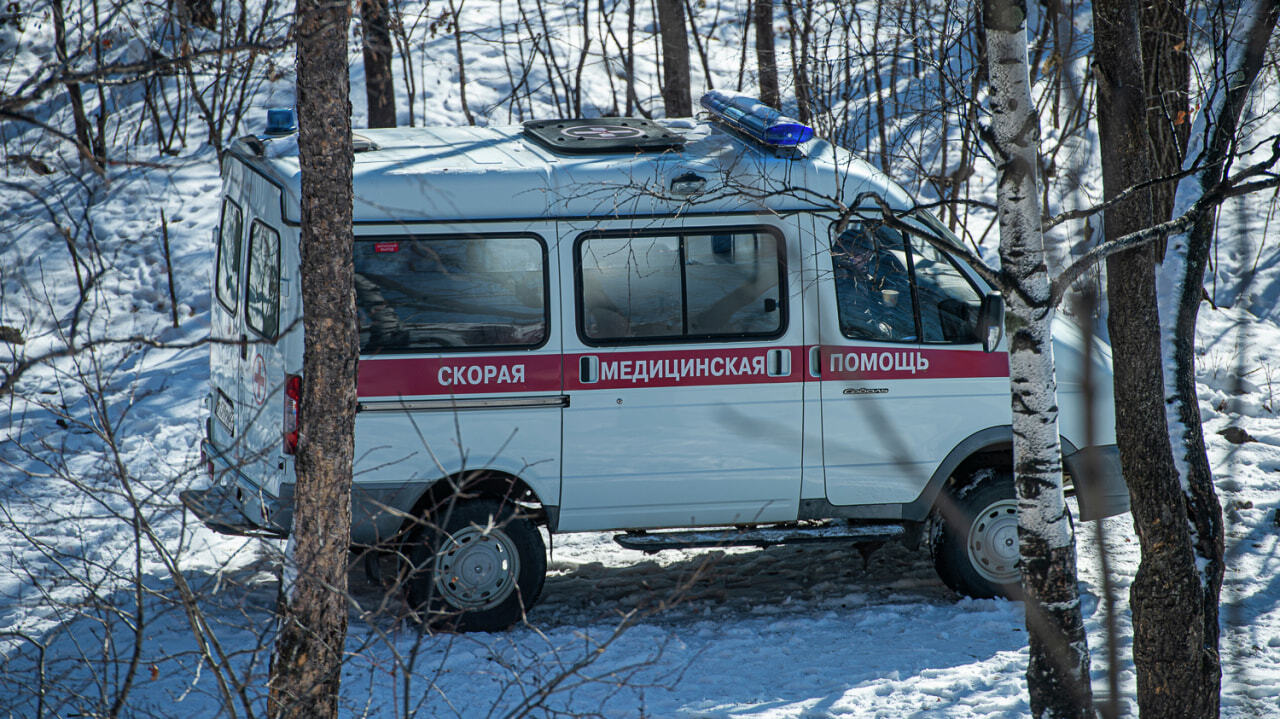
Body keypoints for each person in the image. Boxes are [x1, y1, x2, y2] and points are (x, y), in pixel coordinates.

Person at [832, 225, 916, 341]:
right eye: (859, 255)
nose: (866, 259)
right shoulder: (848, 287)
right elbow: (862, 325)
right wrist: (886, 330)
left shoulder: (859, 278)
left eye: (867, 254)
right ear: (845, 257)